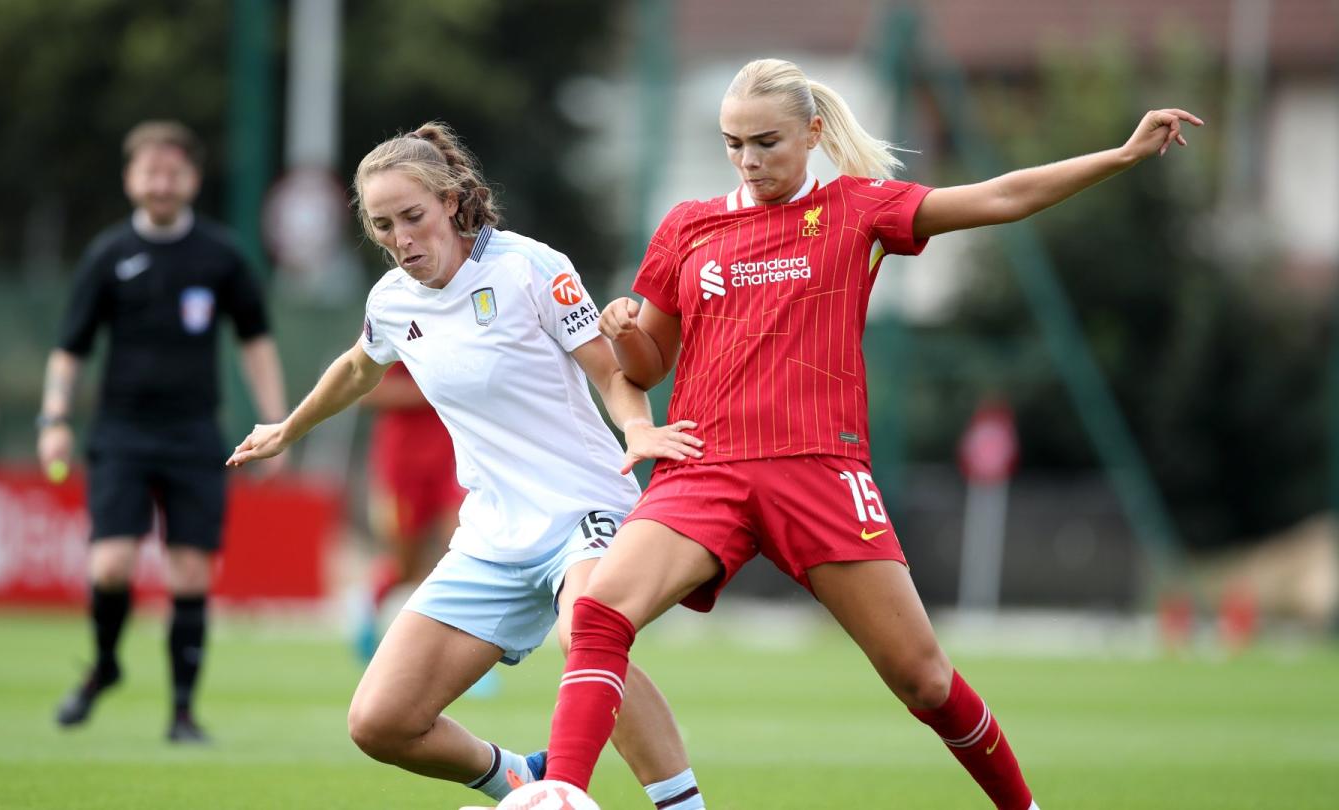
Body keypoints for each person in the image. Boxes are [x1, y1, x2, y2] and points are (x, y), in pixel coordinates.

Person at [539, 58, 1203, 810]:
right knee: (597, 615)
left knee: (922, 678)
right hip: (705, 470)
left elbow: (1000, 195)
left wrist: (1118, 156)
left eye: (766, 141)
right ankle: (559, 794)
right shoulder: (689, 226)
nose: (749, 161)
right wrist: (625, 330)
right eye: (733, 144)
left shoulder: (859, 209)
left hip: (820, 473)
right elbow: (649, 360)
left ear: (813, 132)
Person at [225, 122, 707, 809]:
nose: (401, 239)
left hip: (585, 510)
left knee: (588, 630)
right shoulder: (392, 301)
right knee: (380, 722)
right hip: (493, 535)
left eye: (413, 217)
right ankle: (517, 777)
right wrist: (288, 428)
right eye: (384, 225)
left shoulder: (530, 268)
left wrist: (638, 429)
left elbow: (610, 373)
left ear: (452, 202)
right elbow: (359, 367)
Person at [38, 120, 288, 743]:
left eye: (173, 170)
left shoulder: (221, 255)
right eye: (150, 170)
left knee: (190, 575)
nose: (161, 181)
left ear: (192, 179)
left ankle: (181, 713)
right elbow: (68, 349)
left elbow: (256, 341)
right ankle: (105, 666)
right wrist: (54, 420)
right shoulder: (107, 255)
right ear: (130, 179)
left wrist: (278, 424)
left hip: (194, 435)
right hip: (121, 433)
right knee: (112, 566)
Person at [352, 361, 464, 662]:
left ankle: (464, 653)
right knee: (406, 566)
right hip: (401, 468)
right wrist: (429, 390)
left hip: (449, 464)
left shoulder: (460, 324)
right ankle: (367, 607)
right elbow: (363, 389)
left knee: (462, 550)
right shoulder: (397, 322)